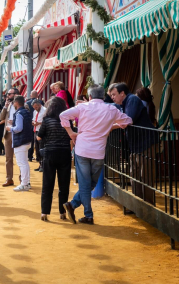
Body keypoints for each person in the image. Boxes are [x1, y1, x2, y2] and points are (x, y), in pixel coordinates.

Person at [61, 85, 132, 225]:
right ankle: (84, 212)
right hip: (98, 152)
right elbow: (128, 121)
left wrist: (71, 134)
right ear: (103, 96)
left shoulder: (83, 107)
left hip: (82, 149)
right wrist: (110, 126)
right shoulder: (112, 109)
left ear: (90, 97)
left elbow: (62, 115)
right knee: (90, 184)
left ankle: (76, 207)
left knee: (86, 184)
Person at [110, 83, 156, 204]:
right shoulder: (125, 103)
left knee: (145, 176)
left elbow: (127, 120)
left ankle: (148, 206)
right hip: (135, 145)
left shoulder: (132, 99)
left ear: (122, 93)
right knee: (134, 175)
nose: (112, 97)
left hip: (145, 143)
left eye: (114, 94)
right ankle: (137, 204)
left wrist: (110, 127)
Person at [36, 97, 72, 221]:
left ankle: (44, 212)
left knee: (47, 184)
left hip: (50, 153)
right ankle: (62, 212)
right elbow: (71, 136)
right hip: (65, 154)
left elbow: (39, 137)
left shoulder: (46, 120)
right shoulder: (67, 120)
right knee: (64, 185)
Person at [10, 96, 34, 192]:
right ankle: (26, 183)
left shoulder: (19, 113)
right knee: (24, 163)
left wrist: (10, 128)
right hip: (26, 140)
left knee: (22, 163)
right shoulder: (26, 112)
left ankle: (24, 184)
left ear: (16, 103)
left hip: (21, 141)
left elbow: (18, 128)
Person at [0, 88, 19, 186]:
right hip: (8, 133)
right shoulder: (8, 105)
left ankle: (23, 180)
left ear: (15, 94)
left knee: (20, 158)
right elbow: (1, 118)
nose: (7, 96)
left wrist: (14, 122)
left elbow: (26, 118)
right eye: (7, 94)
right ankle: (9, 179)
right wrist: (5, 107)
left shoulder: (23, 105)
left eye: (9, 94)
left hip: (18, 133)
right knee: (8, 158)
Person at [31, 99, 46, 171]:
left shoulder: (45, 110)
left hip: (42, 132)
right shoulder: (35, 111)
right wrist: (33, 122)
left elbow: (46, 121)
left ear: (40, 105)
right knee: (37, 148)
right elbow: (33, 119)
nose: (35, 109)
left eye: (36, 107)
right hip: (35, 131)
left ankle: (43, 165)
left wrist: (38, 123)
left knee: (41, 148)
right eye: (34, 107)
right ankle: (40, 164)